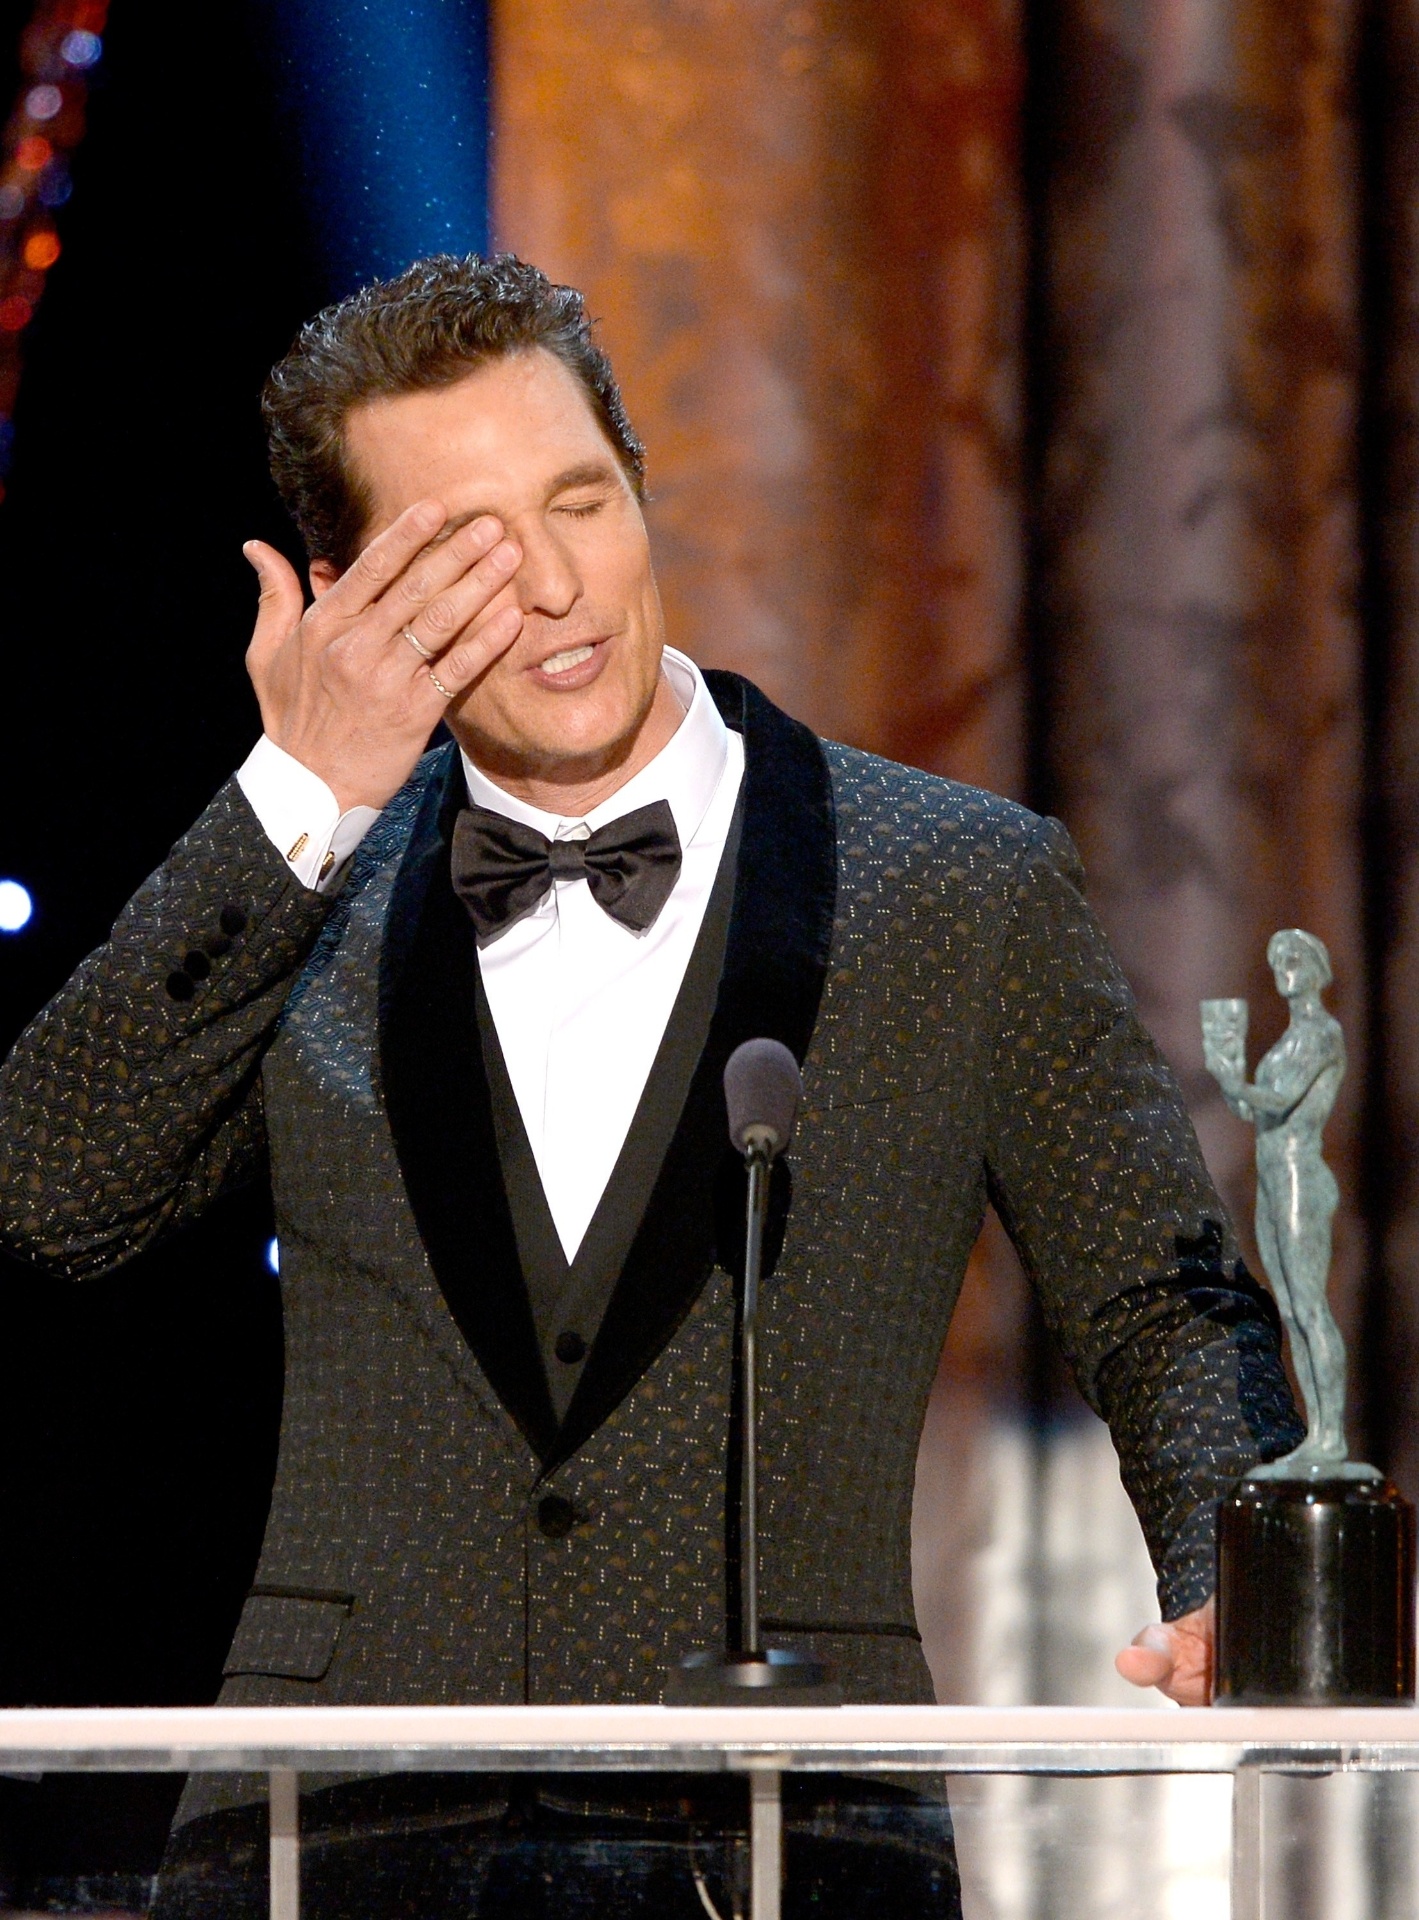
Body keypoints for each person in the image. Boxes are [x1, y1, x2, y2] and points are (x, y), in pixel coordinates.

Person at [0, 255, 1301, 1916]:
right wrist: (301, 792)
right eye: (469, 555)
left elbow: (1163, 1298)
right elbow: (52, 1192)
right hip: (339, 1838)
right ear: (342, 600)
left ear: (636, 486)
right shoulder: (301, 894)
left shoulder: (958, 888)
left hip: (785, 1836)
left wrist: (1239, 1567)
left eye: (580, 503)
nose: (556, 587)